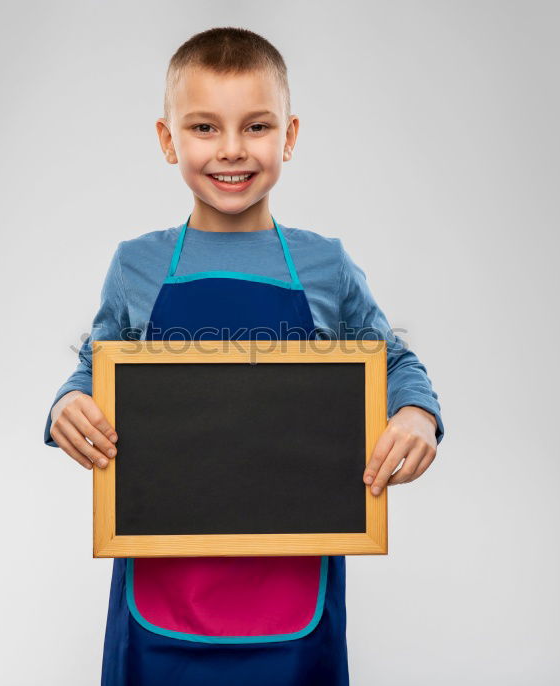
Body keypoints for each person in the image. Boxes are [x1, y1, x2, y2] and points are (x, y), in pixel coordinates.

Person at [43, 26, 445, 686]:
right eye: (204, 128)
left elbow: (394, 360)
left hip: (293, 605)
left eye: (256, 127)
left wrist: (415, 418)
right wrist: (68, 403)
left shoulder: (326, 264)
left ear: (288, 135)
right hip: (158, 600)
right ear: (168, 139)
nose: (231, 149)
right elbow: (97, 365)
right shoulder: (136, 265)